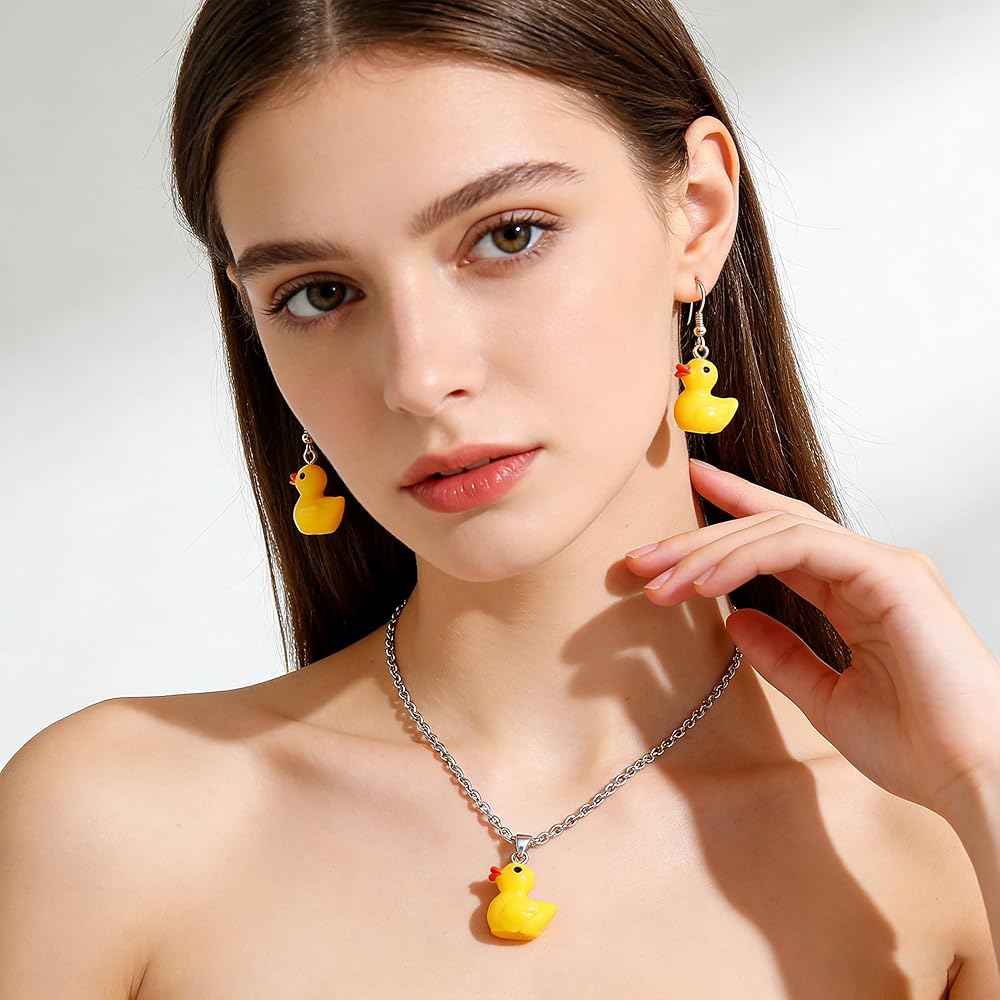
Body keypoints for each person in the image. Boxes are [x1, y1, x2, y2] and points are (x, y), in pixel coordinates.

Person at [2, 0, 999, 995]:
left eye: (508, 235)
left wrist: (982, 778)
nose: (419, 376)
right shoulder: (111, 828)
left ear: (696, 210)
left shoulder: (937, 846)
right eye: (319, 293)